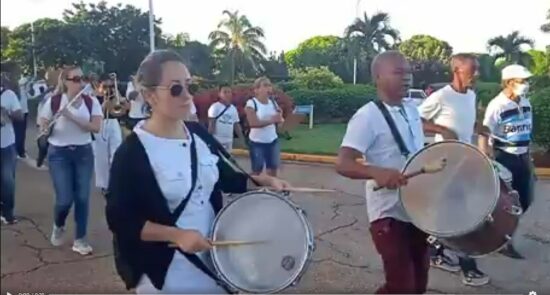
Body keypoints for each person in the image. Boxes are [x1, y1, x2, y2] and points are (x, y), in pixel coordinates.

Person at [105, 49, 290, 293]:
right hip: (167, 272)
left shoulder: (198, 133)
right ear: (149, 95)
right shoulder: (132, 152)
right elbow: (121, 221)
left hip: (213, 260)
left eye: (189, 86)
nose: (187, 96)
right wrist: (176, 235)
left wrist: (262, 180)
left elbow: (225, 178)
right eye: (175, 89)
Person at [336, 51, 428, 294]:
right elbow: (343, 163)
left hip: (418, 211)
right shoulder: (367, 116)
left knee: (418, 284)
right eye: (398, 72)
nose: (407, 78)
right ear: (378, 77)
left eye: (409, 72)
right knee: (402, 287)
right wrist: (376, 172)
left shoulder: (411, 110)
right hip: (388, 215)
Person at [418, 53, 489, 286]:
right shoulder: (441, 97)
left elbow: (467, 124)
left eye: (477, 69)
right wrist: (441, 129)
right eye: (473, 69)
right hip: (445, 167)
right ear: (457, 70)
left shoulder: (470, 95)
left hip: (465, 165)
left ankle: (434, 253)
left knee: (449, 215)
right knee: (464, 216)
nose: (477, 74)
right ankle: (468, 268)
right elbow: (414, 120)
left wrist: (480, 127)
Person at [38, 66, 103, 255]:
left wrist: (70, 116)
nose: (80, 82)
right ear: (65, 81)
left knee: (82, 197)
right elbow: (43, 123)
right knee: (64, 199)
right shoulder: (54, 101)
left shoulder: (91, 102)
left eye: (82, 78)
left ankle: (80, 239)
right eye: (75, 79)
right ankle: (58, 225)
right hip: (59, 153)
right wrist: (45, 127)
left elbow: (95, 127)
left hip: (83, 152)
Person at [479, 64, 534, 259]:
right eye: (522, 81)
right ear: (509, 82)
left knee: (524, 201)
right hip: (504, 157)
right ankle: (503, 241)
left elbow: (528, 131)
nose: (526, 85)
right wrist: (486, 158)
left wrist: (528, 157)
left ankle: (503, 236)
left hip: (522, 157)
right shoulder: (498, 105)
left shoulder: (526, 102)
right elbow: (484, 133)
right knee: (508, 203)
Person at [92, 74, 126, 195]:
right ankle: (104, 185)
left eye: (111, 85)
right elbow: (94, 114)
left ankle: (115, 182)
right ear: (99, 85)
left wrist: (121, 100)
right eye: (105, 86)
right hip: (100, 124)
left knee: (116, 153)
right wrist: (104, 105)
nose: (108, 88)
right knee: (101, 156)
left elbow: (121, 111)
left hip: (113, 122)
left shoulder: (115, 95)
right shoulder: (94, 97)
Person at [244, 77, 284, 176]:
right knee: (257, 170)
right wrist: (272, 120)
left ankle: (271, 190)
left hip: (272, 140)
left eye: (269, 85)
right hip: (257, 142)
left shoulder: (273, 103)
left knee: (273, 169)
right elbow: (253, 123)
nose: (268, 88)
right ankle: (254, 189)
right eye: (265, 85)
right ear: (256, 90)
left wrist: (280, 119)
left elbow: (279, 124)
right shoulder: (251, 104)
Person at [1, 76, 23, 225]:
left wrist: (6, 112)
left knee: (8, 180)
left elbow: (20, 116)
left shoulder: (8, 95)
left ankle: (8, 212)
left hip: (6, 144)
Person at [207, 84, 244, 152]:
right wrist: (209, 139)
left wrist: (242, 139)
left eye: (229, 92)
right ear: (219, 94)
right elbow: (212, 124)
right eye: (225, 92)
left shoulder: (233, 109)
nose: (227, 94)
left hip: (229, 141)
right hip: (217, 139)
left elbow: (236, 125)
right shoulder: (215, 107)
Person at [15, 75, 30, 159]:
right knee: (19, 133)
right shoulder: (19, 91)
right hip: (20, 113)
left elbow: (31, 96)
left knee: (21, 132)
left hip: (24, 112)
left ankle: (20, 150)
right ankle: (20, 151)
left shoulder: (24, 91)